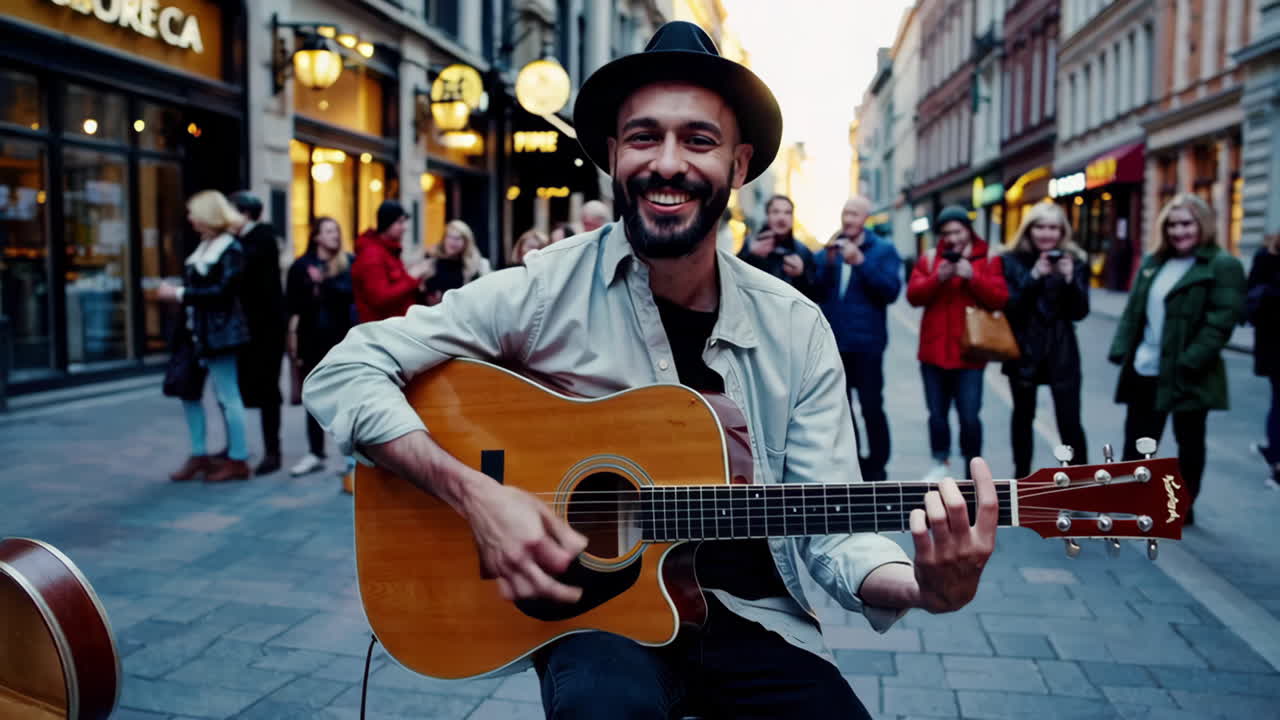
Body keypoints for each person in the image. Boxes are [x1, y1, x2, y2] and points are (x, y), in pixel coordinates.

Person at [304, 21, 997, 719]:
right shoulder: (546, 289)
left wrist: (922, 586)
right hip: (596, 619)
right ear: (612, 154)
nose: (668, 163)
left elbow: (834, 527)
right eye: (643, 137)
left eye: (698, 139)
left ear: (738, 163)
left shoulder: (794, 326)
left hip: (750, 619)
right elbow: (343, 370)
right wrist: (475, 497)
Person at [1108, 194, 1246, 524]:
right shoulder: (1154, 262)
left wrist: (1191, 359)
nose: (1178, 231)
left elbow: (1221, 321)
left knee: (1190, 442)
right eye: (1172, 224)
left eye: (1186, 223)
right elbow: (1133, 312)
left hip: (1190, 371)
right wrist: (1121, 347)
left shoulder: (1222, 265)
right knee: (1139, 439)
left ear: (1202, 225)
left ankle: (1182, 504)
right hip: (1146, 367)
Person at [906, 205, 1010, 481]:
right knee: (937, 415)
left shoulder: (988, 258)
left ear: (968, 229)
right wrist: (937, 278)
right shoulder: (930, 259)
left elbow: (1000, 298)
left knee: (969, 417)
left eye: (958, 231)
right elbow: (913, 296)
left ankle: (972, 467)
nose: (953, 237)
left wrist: (971, 276)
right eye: (947, 232)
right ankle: (940, 461)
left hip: (970, 354)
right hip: (933, 352)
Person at [157, 190, 253, 483]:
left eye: (193, 212)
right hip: (194, 333)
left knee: (228, 396)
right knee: (188, 391)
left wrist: (179, 293)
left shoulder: (231, 248)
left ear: (207, 215)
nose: (189, 218)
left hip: (219, 335)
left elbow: (224, 294)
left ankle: (238, 459)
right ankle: (199, 453)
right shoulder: (205, 246)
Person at [814, 195, 901, 482]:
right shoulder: (830, 248)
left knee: (872, 404)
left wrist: (861, 263)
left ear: (866, 218)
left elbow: (890, 291)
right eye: (845, 213)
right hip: (836, 343)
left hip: (868, 344)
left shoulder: (883, 250)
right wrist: (827, 262)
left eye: (855, 214)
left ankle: (877, 463)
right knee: (841, 407)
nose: (848, 219)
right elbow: (817, 290)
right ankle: (853, 460)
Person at [1000, 202, 1090, 477]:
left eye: (1053, 227)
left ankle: (1080, 481)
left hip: (1062, 350)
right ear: (1028, 229)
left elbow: (1080, 311)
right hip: (1024, 350)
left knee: (1070, 421)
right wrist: (1035, 275)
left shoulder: (1075, 260)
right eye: (1040, 226)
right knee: (1023, 417)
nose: (1046, 233)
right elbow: (1010, 307)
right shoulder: (1011, 260)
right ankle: (1022, 476)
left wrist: (1068, 278)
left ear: (1062, 231)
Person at [285, 217, 355, 477]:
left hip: (341, 339)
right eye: (328, 231)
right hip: (311, 338)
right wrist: (310, 286)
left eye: (336, 231)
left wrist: (323, 282)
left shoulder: (347, 262)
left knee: (345, 398)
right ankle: (315, 453)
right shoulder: (301, 266)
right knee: (313, 397)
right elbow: (291, 304)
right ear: (316, 236)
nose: (334, 236)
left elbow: (350, 294)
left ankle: (351, 458)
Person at [227, 191, 286, 475]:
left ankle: (272, 451)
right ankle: (235, 448)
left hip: (266, 331)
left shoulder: (261, 238)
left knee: (267, 391)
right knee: (235, 390)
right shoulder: (242, 241)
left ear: (245, 214)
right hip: (247, 329)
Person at [351, 200, 431, 323]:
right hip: (382, 330)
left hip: (393, 326)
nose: (404, 228)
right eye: (399, 222)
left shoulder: (388, 250)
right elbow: (379, 298)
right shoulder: (372, 254)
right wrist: (411, 277)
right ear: (386, 223)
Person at [738, 194, 820, 300]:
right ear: (767, 216)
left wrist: (800, 275)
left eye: (787, 213)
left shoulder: (802, 251)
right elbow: (733, 277)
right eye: (776, 212)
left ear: (792, 218)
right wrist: (751, 256)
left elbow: (815, 296)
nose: (781, 218)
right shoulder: (751, 243)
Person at [1248, 234, 1280, 488]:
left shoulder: (1265, 256)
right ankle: (1277, 463)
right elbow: (1251, 298)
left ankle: (1274, 454)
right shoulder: (1266, 257)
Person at [423, 219, 491, 304]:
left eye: (458, 238)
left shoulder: (476, 264)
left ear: (466, 242)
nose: (452, 242)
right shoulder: (432, 259)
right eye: (449, 237)